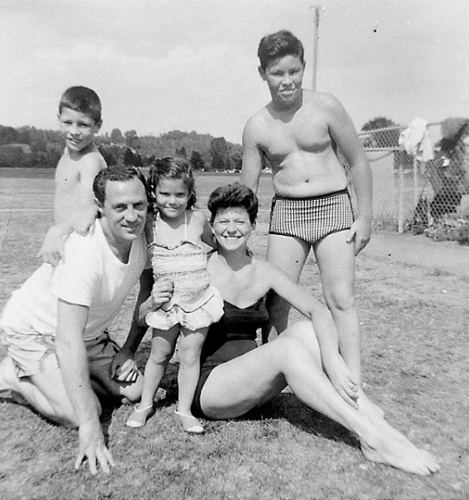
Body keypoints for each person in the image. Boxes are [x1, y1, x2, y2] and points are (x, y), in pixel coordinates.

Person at [131, 183, 439, 476]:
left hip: (252, 382)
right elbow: (156, 316)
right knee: (287, 349)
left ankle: (369, 413)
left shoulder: (264, 270)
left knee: (304, 330)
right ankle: (372, 438)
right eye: (223, 221)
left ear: (253, 225)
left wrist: (331, 358)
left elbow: (318, 310)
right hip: (211, 387)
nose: (231, 229)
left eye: (240, 220)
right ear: (211, 227)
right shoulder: (201, 267)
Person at [240, 30, 372, 389]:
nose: (287, 81)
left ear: (303, 67)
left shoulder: (325, 106)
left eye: (294, 71)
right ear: (262, 73)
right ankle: (274, 382)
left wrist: (365, 216)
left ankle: (353, 386)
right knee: (276, 302)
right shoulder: (256, 127)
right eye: (277, 73)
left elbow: (358, 161)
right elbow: (245, 192)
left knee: (340, 298)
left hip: (333, 209)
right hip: (287, 215)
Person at [0, 165, 149, 475]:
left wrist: (129, 349)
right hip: (37, 332)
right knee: (84, 412)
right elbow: (67, 340)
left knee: (137, 391)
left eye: (139, 205)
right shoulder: (85, 251)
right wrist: (91, 429)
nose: (132, 216)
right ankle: (13, 375)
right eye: (119, 207)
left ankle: (64, 377)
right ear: (100, 208)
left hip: (88, 335)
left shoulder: (144, 237)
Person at [126, 158, 223, 433]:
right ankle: (145, 404)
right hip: (166, 305)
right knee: (160, 354)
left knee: (190, 355)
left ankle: (184, 410)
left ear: (190, 193)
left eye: (180, 194)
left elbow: (216, 245)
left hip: (197, 302)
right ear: (154, 192)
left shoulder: (197, 220)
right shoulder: (150, 225)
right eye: (164, 194)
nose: (172, 200)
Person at [39, 86, 107, 266]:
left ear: (98, 126)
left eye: (83, 125)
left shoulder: (90, 161)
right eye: (67, 122)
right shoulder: (67, 153)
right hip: (66, 240)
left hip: (82, 244)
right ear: (58, 119)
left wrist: (55, 231)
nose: (74, 131)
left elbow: (87, 211)